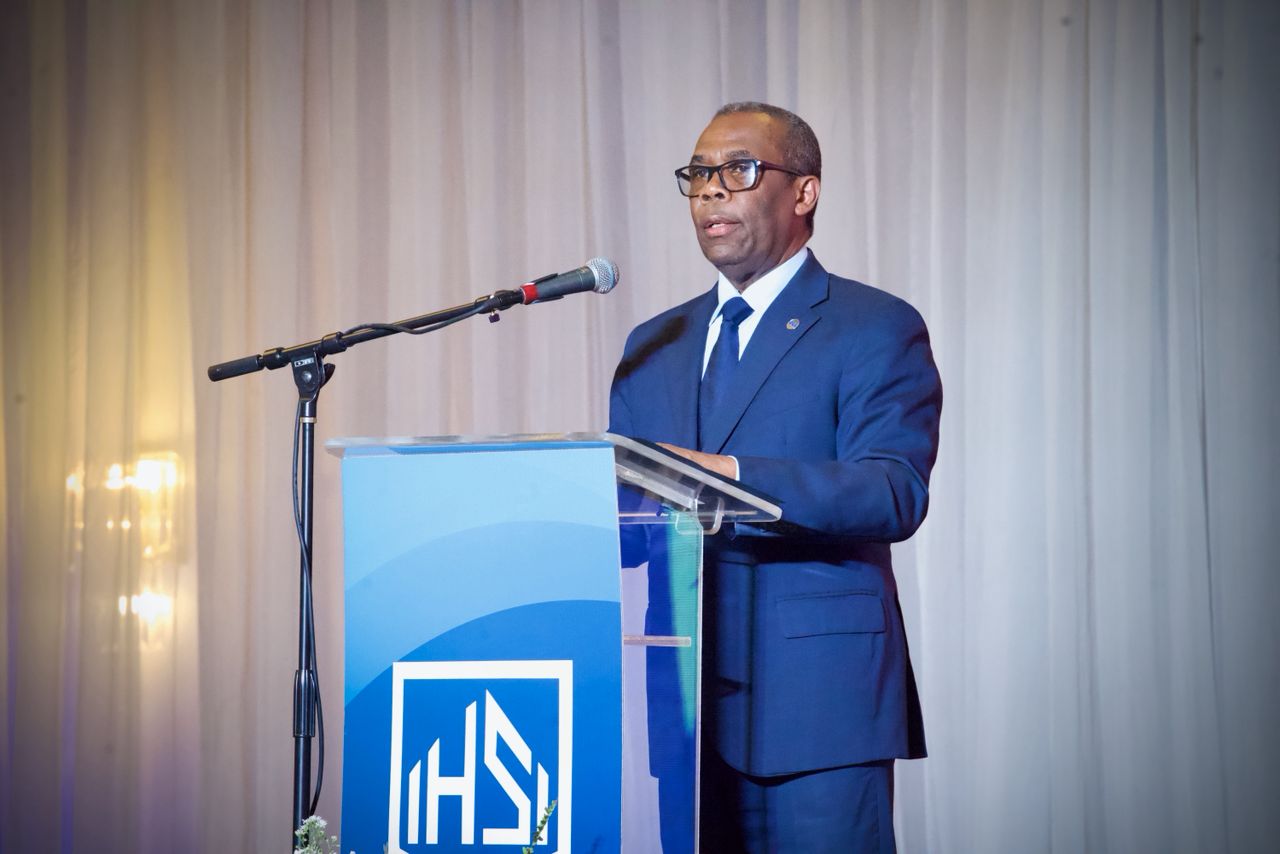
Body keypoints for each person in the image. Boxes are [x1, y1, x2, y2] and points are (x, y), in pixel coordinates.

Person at [609, 102, 943, 853]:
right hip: (680, 708)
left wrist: (730, 476)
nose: (711, 189)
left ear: (804, 192)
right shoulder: (653, 344)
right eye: (699, 174)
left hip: (817, 704)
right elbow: (632, 523)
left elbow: (892, 490)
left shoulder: (874, 326)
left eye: (739, 169)